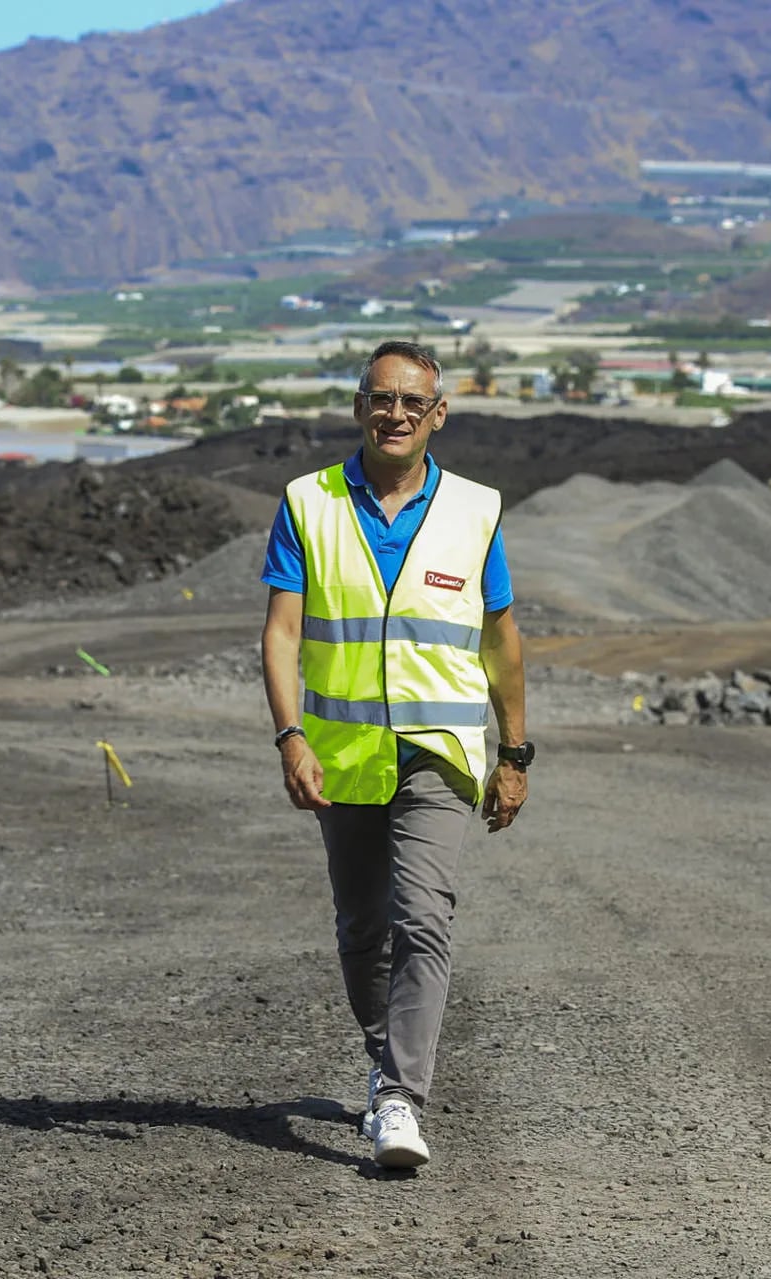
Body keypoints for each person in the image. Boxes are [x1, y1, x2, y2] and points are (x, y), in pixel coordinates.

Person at [259, 339, 532, 1169]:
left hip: (439, 755)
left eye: (414, 402)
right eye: (382, 398)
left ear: (438, 414)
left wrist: (515, 752)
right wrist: (291, 735)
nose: (396, 414)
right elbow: (281, 632)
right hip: (341, 756)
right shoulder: (307, 503)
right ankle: (387, 1063)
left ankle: (402, 1098)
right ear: (359, 407)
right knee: (362, 929)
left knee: (424, 917)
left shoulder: (475, 510)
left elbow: (501, 639)